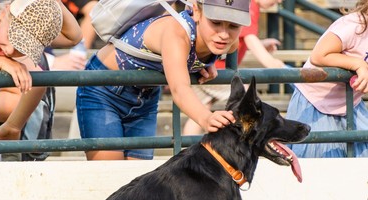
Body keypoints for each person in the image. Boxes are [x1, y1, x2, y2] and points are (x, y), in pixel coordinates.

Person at [76, 0, 251, 161]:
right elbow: (179, 88)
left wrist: (205, 62)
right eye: (215, 22)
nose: (223, 34)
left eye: (234, 26)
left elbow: (195, 54)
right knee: (110, 174)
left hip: (146, 98)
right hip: (103, 92)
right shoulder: (176, 32)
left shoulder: (228, 42)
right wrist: (206, 118)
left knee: (138, 182)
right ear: (196, 12)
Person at [0, 0, 82, 160]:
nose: (9, 50)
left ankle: (12, 131)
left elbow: (74, 38)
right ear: (3, 13)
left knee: (37, 79)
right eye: (10, 36)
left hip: (4, 128)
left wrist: (55, 4)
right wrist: (1, 62)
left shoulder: (32, 30)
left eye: (21, 47)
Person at [183, 0, 285, 135]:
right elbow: (249, 38)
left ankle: (186, 146)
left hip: (207, 65)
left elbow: (243, 37)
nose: (279, 1)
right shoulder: (247, 5)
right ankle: (255, 137)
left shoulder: (250, 6)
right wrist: (270, 61)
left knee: (203, 109)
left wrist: (262, 44)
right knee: (247, 95)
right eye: (216, 22)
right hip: (215, 68)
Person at [286, 0, 368, 158]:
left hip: (350, 104)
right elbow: (319, 55)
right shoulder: (354, 25)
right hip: (316, 102)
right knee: (321, 161)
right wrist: (357, 64)